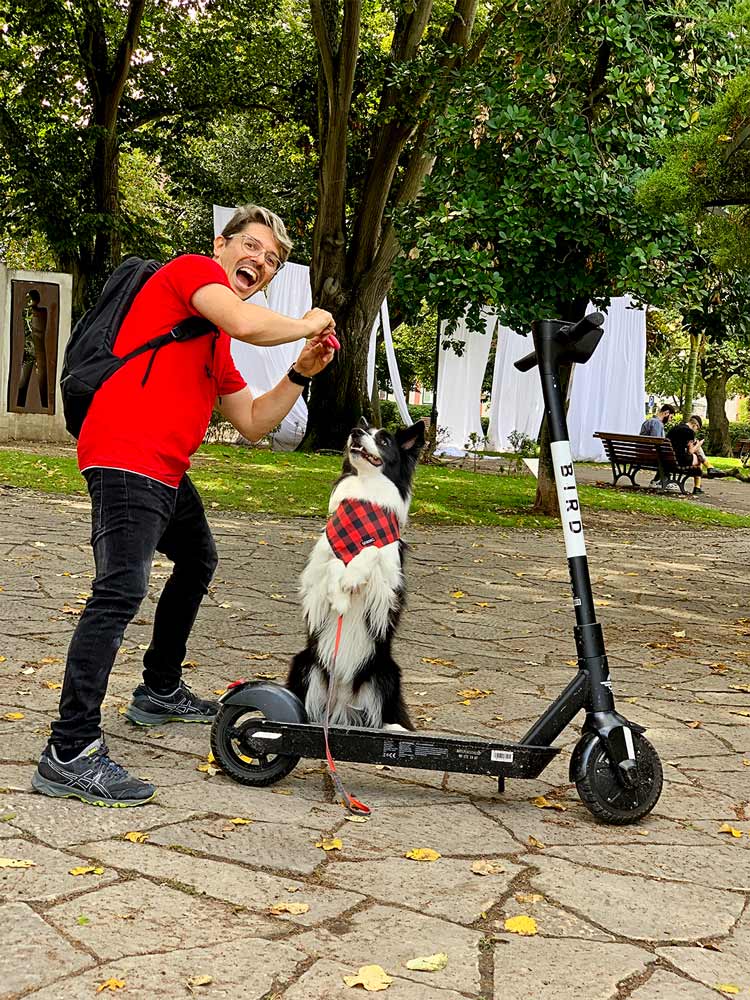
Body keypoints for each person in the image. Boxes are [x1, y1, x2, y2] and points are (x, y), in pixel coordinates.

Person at [32, 204, 337, 808]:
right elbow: (249, 324)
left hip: (165, 467)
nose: (261, 261)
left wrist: (300, 372)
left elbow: (254, 422)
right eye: (251, 246)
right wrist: (310, 322)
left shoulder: (214, 341)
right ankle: (69, 750)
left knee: (197, 558)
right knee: (120, 590)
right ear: (220, 247)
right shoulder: (188, 272)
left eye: (272, 259)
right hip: (126, 454)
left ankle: (158, 691)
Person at [667, 415, 708, 495]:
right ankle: (697, 487)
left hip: (667, 458)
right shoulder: (689, 432)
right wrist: (699, 444)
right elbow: (690, 451)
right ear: (694, 425)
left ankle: (709, 466)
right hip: (680, 460)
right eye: (698, 429)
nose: (697, 431)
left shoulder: (676, 428)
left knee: (696, 456)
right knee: (699, 460)